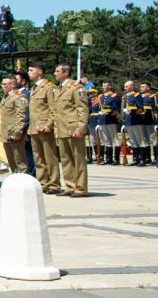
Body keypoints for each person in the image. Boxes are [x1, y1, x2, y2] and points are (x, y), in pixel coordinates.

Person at [53, 64, 89, 197]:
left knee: (78, 159)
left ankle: (80, 188)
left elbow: (82, 109)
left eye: (57, 71)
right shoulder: (58, 89)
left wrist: (81, 128)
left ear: (66, 72)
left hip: (74, 129)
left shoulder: (76, 88)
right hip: (62, 129)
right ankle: (70, 186)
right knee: (66, 159)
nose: (55, 73)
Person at [26, 62, 61, 194]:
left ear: (40, 71)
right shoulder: (34, 88)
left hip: (44, 127)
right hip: (34, 127)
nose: (29, 73)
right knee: (38, 158)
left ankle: (54, 183)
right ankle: (42, 182)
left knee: (50, 157)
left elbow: (53, 108)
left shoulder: (48, 87)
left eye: (31, 70)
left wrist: (49, 125)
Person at [0, 75, 28, 175]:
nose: (3, 86)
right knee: (11, 160)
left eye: (5, 84)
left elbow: (21, 116)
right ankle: (15, 179)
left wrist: (18, 132)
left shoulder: (19, 96)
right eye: (2, 84)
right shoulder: (6, 96)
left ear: (13, 85)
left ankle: (23, 181)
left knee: (19, 159)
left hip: (14, 133)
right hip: (6, 132)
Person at [97, 81, 121, 165]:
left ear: (110, 87)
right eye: (103, 85)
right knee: (107, 140)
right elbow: (100, 108)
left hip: (111, 119)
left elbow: (116, 108)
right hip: (103, 120)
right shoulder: (101, 97)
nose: (103, 87)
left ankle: (116, 159)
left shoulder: (114, 96)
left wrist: (110, 112)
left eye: (105, 85)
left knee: (114, 139)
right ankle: (108, 158)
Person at [122, 81, 145, 166]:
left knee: (140, 140)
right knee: (133, 141)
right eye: (125, 87)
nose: (125, 88)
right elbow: (124, 110)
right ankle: (135, 159)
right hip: (128, 121)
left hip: (136, 120)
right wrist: (124, 122)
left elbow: (140, 108)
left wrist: (134, 111)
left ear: (131, 86)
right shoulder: (125, 97)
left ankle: (142, 159)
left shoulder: (136, 95)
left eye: (126, 86)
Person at [139, 83, 156, 166]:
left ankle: (156, 158)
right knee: (145, 140)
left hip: (150, 121)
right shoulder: (139, 97)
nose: (141, 88)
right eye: (140, 87)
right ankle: (147, 158)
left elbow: (155, 110)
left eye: (143, 86)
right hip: (142, 122)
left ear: (148, 88)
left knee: (153, 140)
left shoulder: (152, 97)